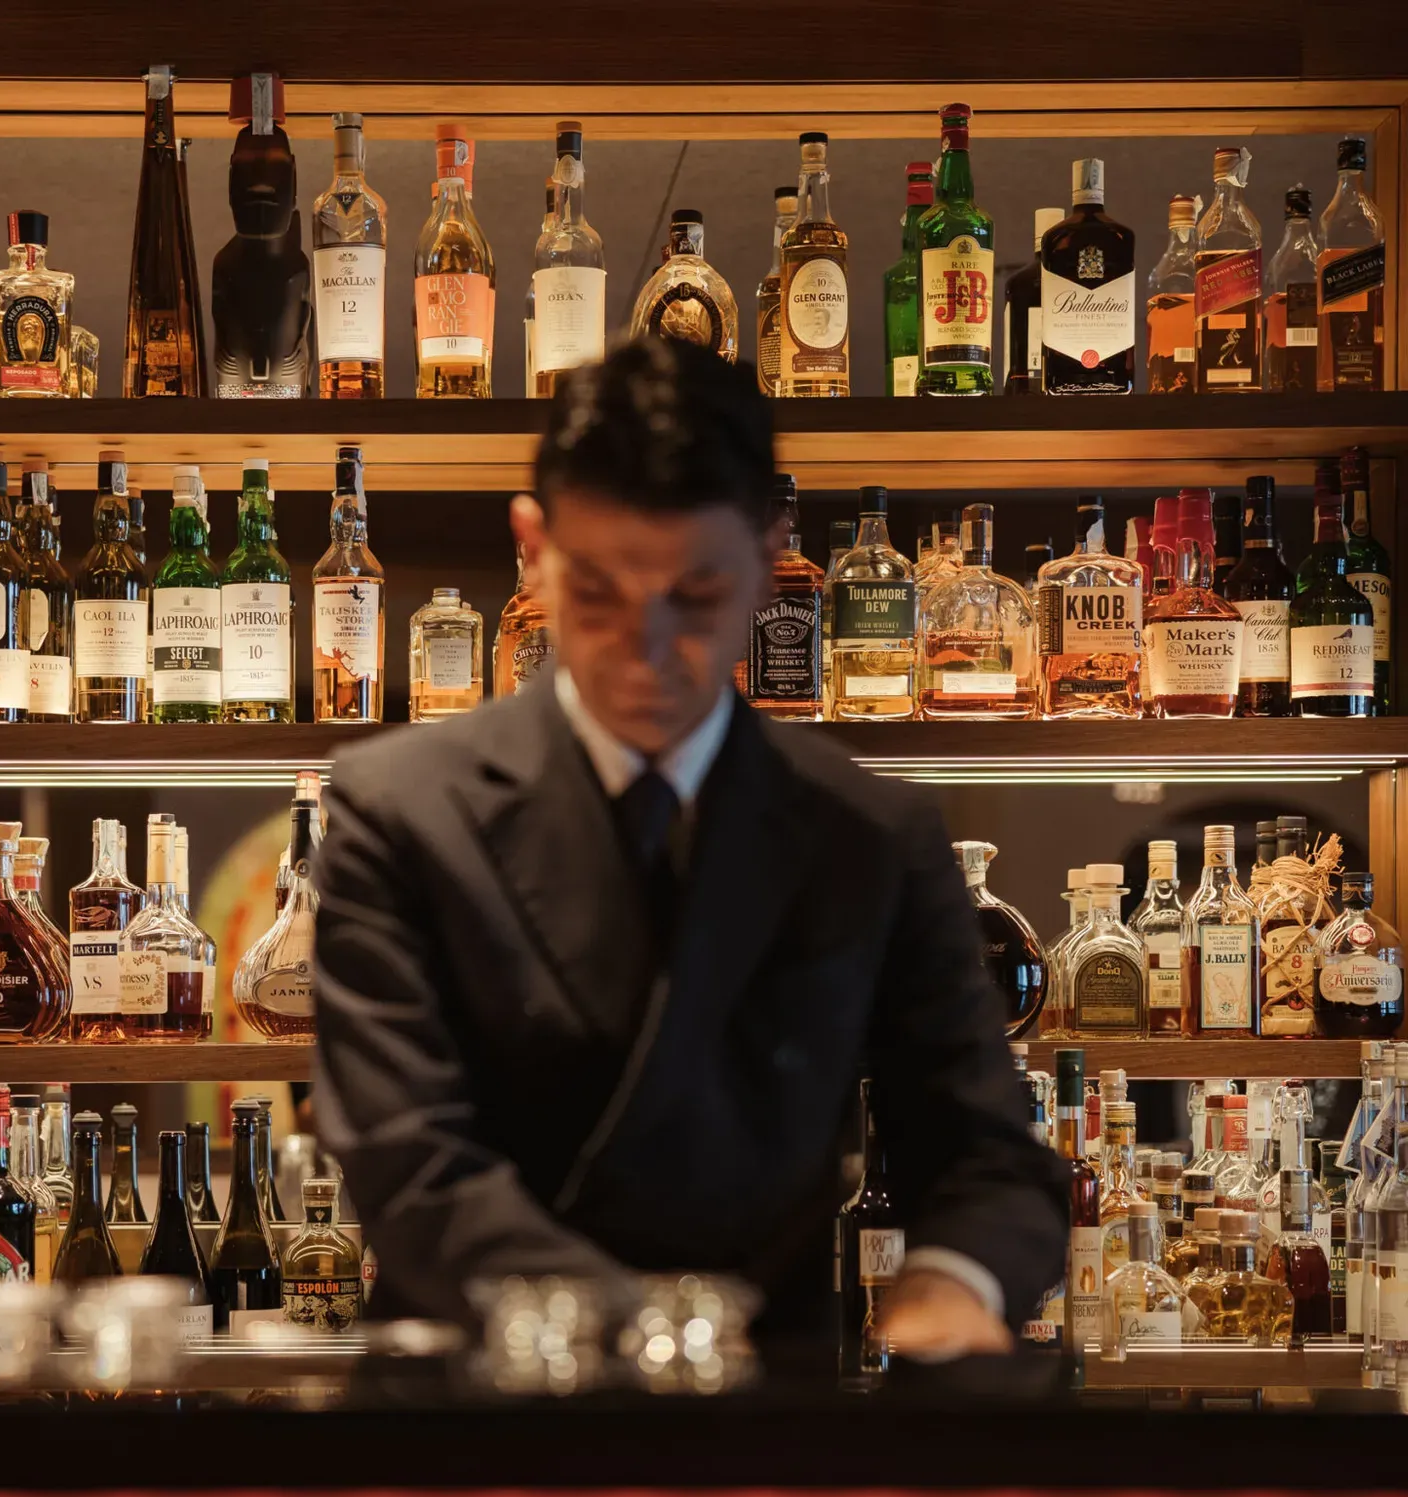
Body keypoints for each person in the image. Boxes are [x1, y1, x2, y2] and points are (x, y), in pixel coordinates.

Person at [313, 337, 1067, 1359]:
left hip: (759, 1448)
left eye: (696, 596)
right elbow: (410, 1168)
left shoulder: (870, 833)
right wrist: (670, 1338)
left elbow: (983, 1155)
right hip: (475, 1430)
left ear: (767, 557)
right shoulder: (398, 808)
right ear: (531, 548)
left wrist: (951, 1277)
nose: (648, 645)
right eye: (597, 593)